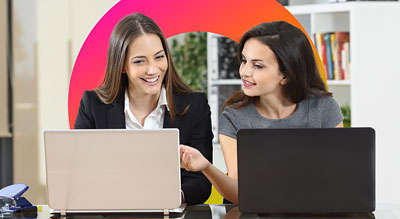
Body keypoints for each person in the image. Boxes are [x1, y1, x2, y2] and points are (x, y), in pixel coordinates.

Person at [180, 21, 344, 204]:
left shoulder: (324, 109)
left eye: (257, 65)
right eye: (244, 61)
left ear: (286, 74)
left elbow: (338, 180)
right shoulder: (234, 116)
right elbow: (237, 193)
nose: (244, 72)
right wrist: (207, 167)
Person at [74, 13, 213, 205]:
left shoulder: (195, 106)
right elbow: (80, 174)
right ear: (122, 65)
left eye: (159, 57)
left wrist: (169, 198)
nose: (153, 69)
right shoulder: (93, 105)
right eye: (140, 61)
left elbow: (201, 182)